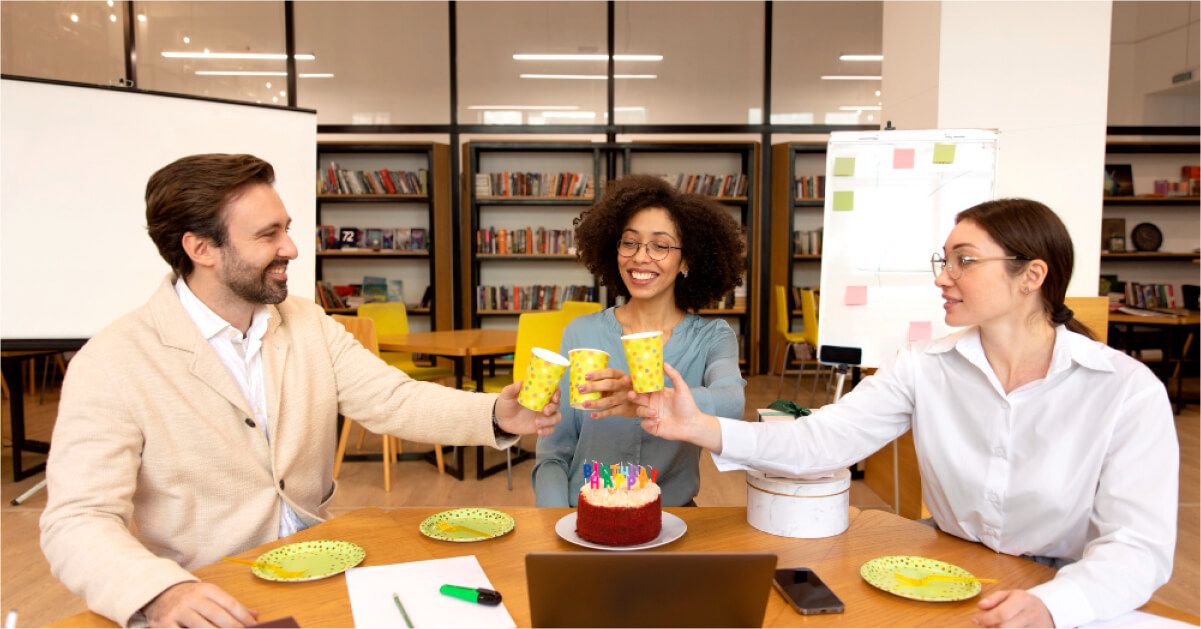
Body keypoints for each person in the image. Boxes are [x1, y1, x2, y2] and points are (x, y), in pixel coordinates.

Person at [39, 154, 561, 628]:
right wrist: (160, 593)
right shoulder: (112, 361)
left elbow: (394, 399)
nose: (290, 247)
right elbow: (77, 520)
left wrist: (496, 413)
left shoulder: (307, 323)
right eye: (268, 235)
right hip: (213, 595)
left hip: (328, 567)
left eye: (286, 228)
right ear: (201, 249)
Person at [627, 198, 1177, 628]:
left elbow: (1138, 548)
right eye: (944, 261)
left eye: (964, 262)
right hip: (945, 572)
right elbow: (824, 441)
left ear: (1031, 276)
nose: (943, 277)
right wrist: (699, 427)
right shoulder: (925, 365)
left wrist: (1056, 605)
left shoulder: (1125, 390)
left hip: (1067, 593)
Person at [532, 175, 746, 507]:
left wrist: (649, 400)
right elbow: (553, 452)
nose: (640, 257)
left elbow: (731, 402)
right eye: (629, 242)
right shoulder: (581, 333)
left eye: (660, 245)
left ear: (686, 260)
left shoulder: (712, 337)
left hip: (670, 520)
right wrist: (554, 524)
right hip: (582, 518)